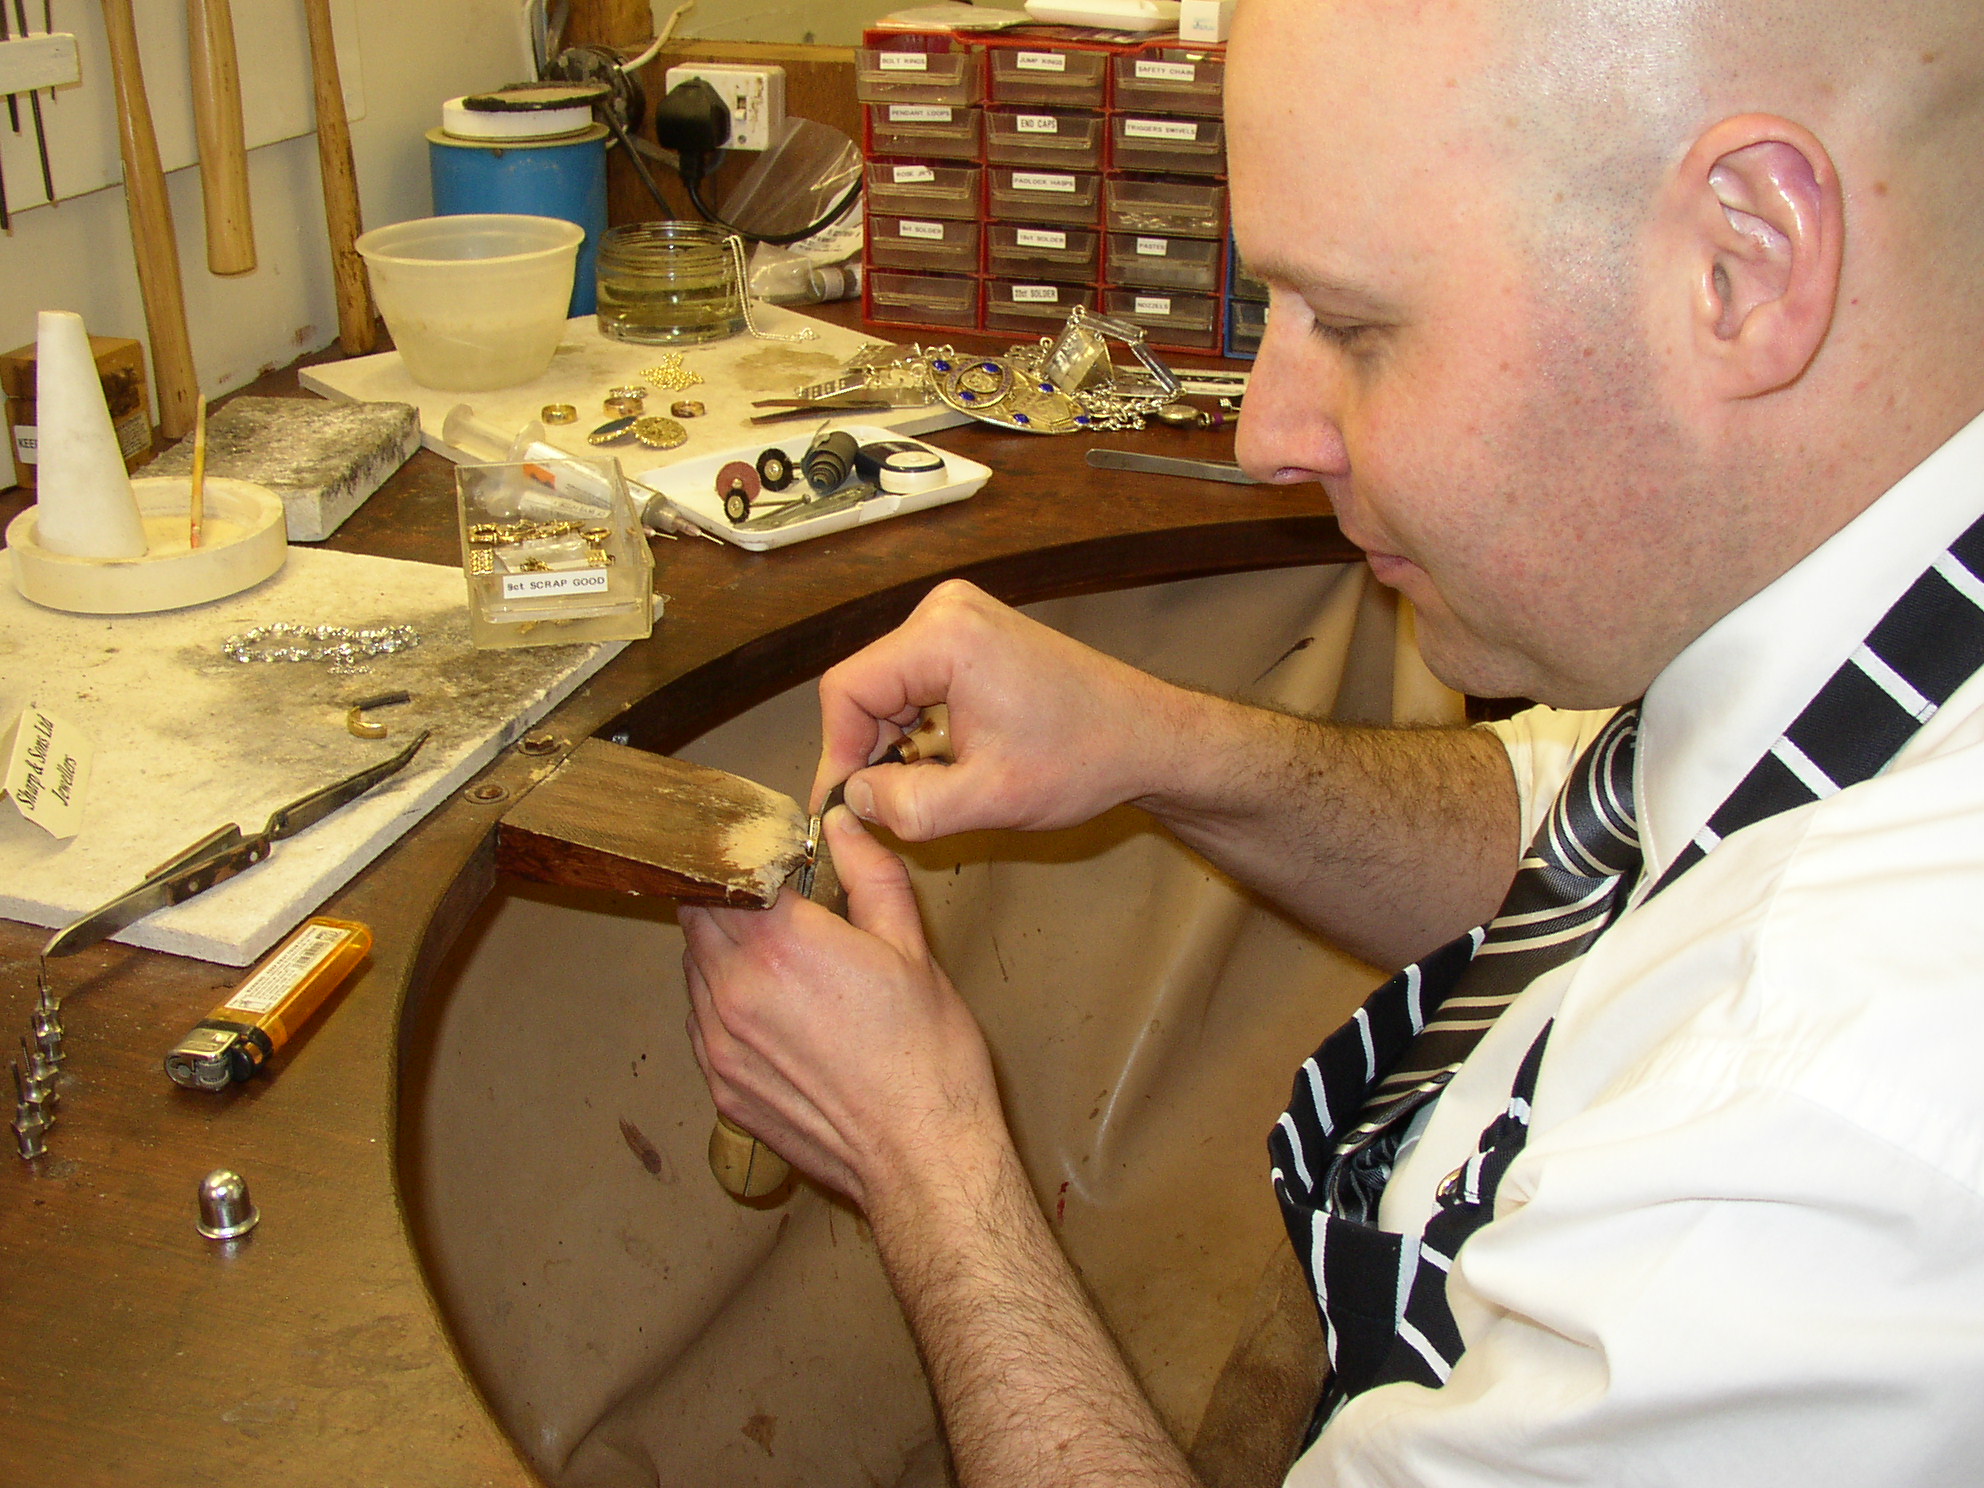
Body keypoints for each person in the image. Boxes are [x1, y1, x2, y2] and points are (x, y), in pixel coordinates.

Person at [680, 0, 1984, 1480]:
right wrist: (1160, 742)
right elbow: (1585, 834)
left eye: (1355, 326)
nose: (1269, 438)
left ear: (1744, 262)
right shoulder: (1854, 614)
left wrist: (924, 1160)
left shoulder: (1816, 1144)